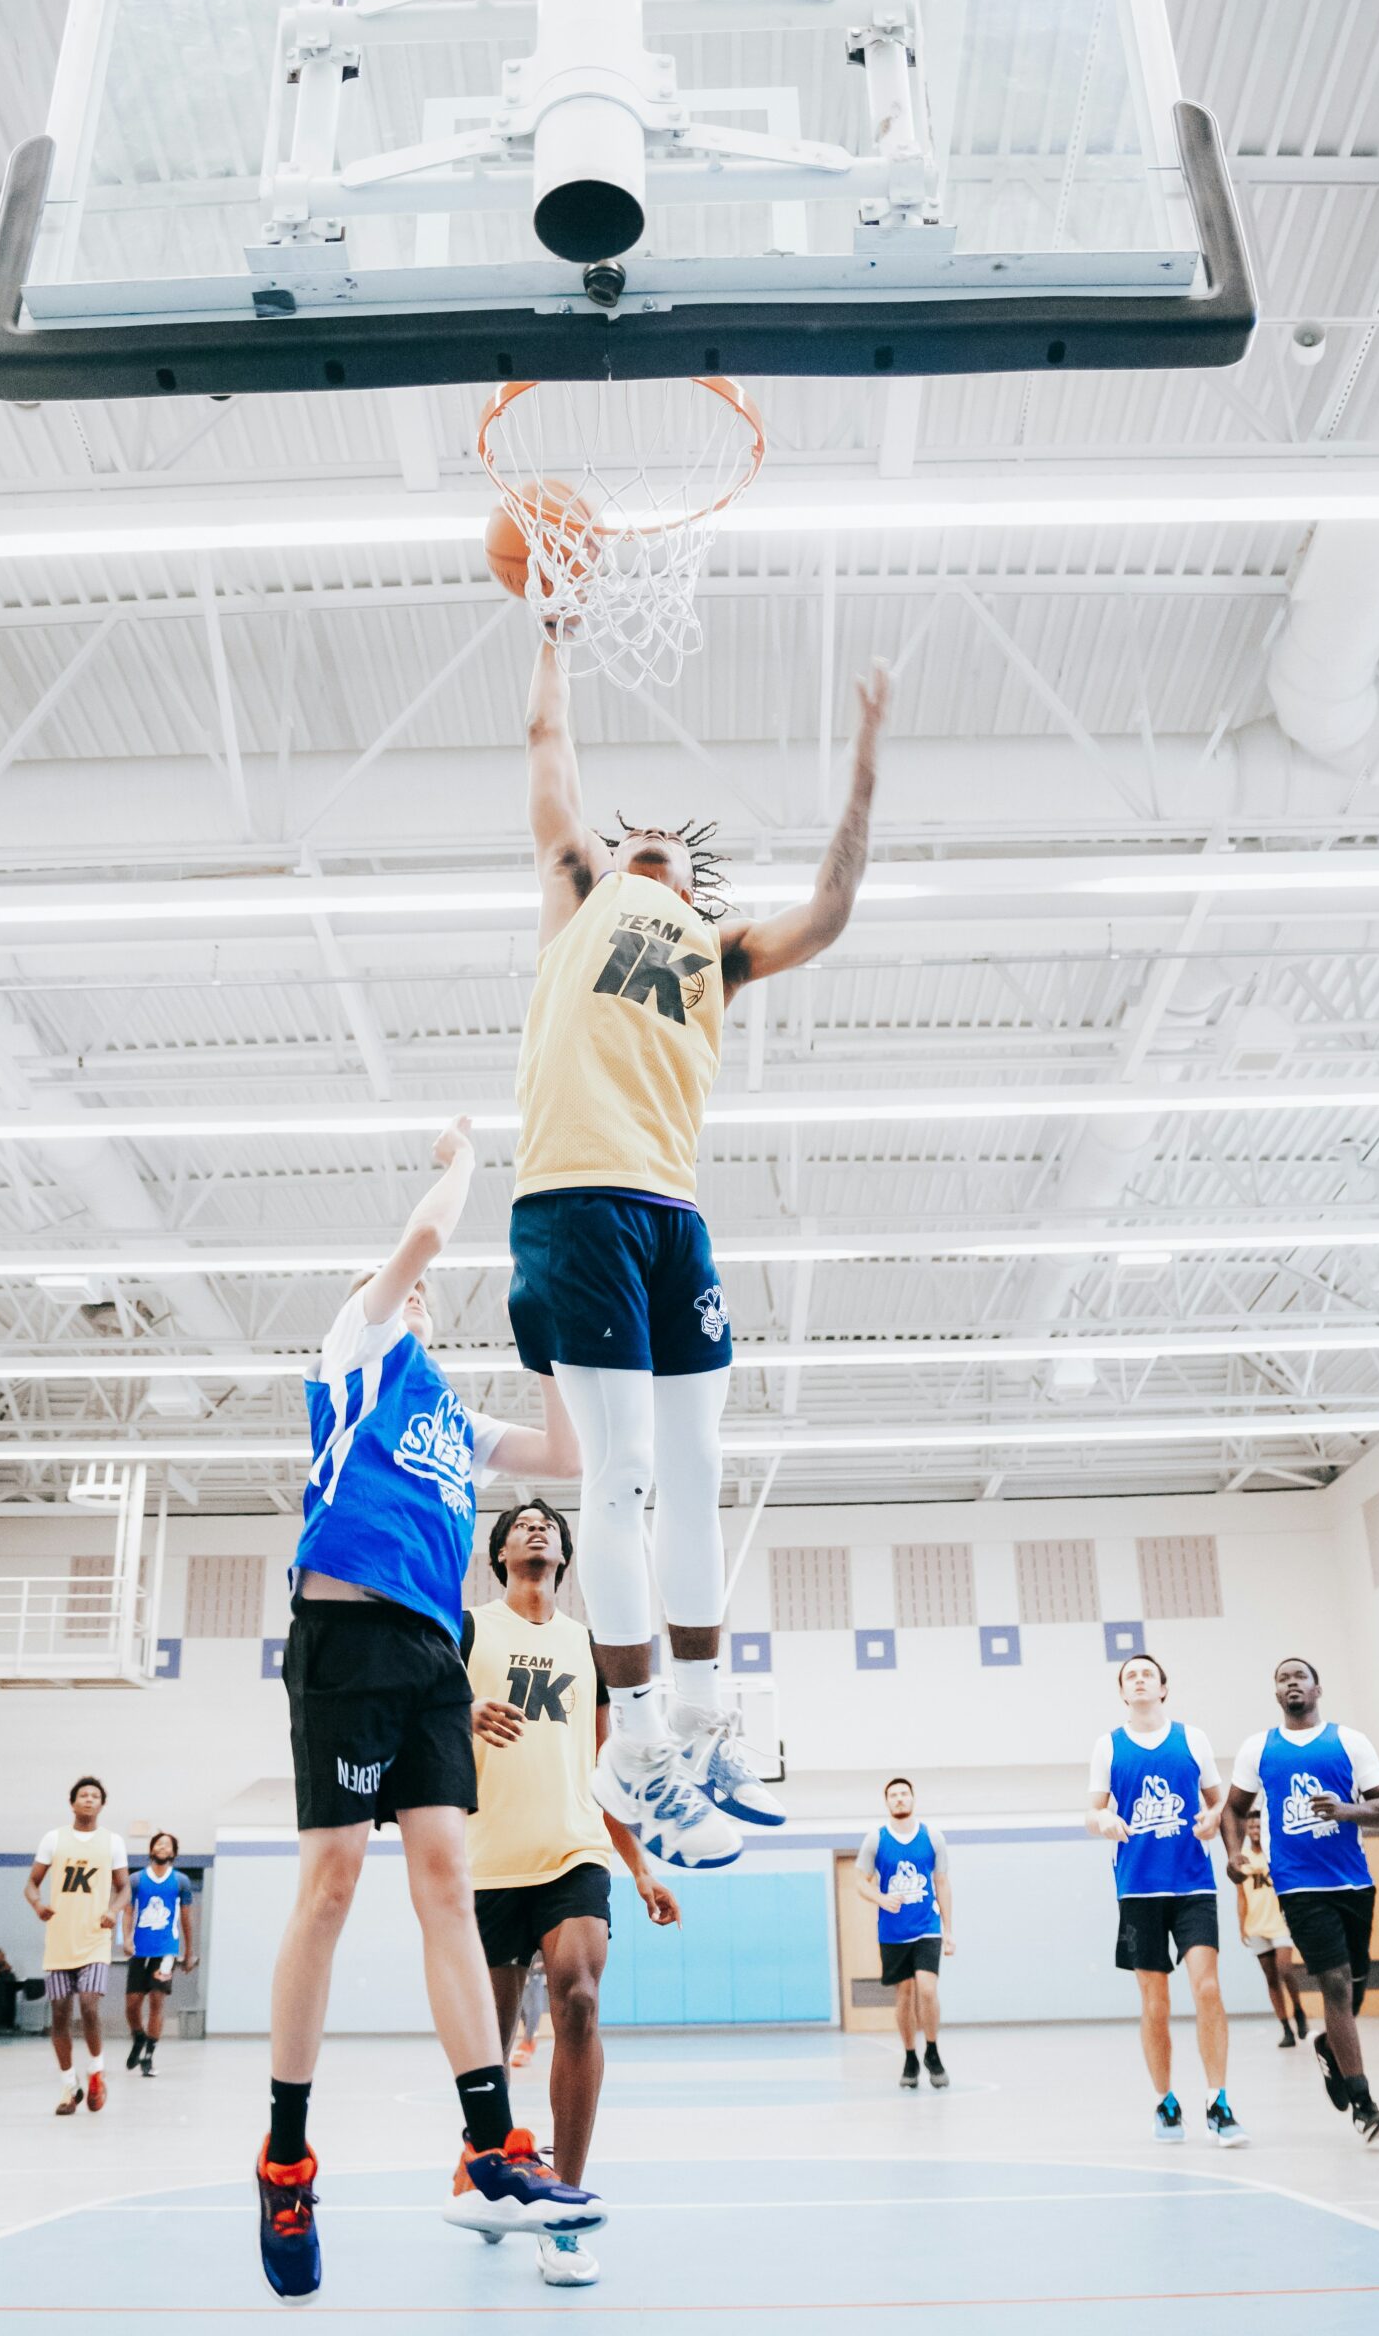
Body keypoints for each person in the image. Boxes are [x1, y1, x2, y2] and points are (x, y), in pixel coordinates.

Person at [514, 635, 891, 1868]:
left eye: (673, 851)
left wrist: (866, 769)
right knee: (615, 1476)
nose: (651, 845)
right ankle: (633, 1757)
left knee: (697, 1466)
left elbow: (829, 914)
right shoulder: (579, 900)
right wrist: (552, 640)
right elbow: (546, 755)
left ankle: (698, 1717)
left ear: (694, 883)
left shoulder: (718, 952)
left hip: (672, 1212)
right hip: (576, 1196)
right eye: (639, 842)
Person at [257, 1118, 602, 2303]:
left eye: (414, 1299)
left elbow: (563, 1445)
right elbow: (415, 1238)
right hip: (343, 1637)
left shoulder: (456, 1424)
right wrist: (469, 1162)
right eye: (394, 1290)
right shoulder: (355, 1351)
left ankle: (490, 2137)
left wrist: (551, 1329)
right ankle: (287, 2153)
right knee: (335, 1883)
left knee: (445, 1880)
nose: (406, 1295)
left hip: (429, 1653)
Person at [463, 1497, 684, 2290]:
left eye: (548, 1522)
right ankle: (487, 2166)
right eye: (521, 1521)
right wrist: (460, 1711)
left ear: (563, 1553)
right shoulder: (468, 1630)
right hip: (485, 1860)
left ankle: (561, 2210)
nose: (537, 1525)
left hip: (574, 1851)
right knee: (482, 2042)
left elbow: (607, 1762)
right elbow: (419, 1716)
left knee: (578, 2000)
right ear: (499, 1553)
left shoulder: (586, 1645)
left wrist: (639, 1865)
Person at [1223, 1657, 1379, 2144]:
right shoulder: (1258, 1748)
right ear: (1276, 1694)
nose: (1291, 1683)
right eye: (1282, 1678)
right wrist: (1235, 1854)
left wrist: (1345, 1810)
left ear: (1317, 1689)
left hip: (1353, 1884)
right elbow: (1233, 1810)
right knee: (1335, 1985)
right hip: (1298, 1886)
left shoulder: (1350, 1741)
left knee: (1356, 1984)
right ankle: (1364, 2105)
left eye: (1299, 1676)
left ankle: (1328, 2045)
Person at [1085, 1654, 1246, 2147]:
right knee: (1155, 2003)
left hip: (1192, 1885)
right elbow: (1091, 1814)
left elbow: (1224, 1802)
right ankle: (1165, 2100)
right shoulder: (1108, 1745)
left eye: (1146, 1674)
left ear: (1163, 1688)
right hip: (1137, 1890)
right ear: (1122, 1692)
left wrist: (1214, 1819)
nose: (1138, 1679)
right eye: (1129, 1675)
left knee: (1208, 1990)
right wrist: (1105, 1821)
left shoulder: (1192, 1739)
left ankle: (1218, 2102)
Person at [25, 1775, 130, 2116]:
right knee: (59, 2014)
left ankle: (96, 2069)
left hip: (95, 1939)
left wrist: (114, 1911)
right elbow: (31, 1884)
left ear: (102, 1804)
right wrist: (39, 1905)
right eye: (82, 1795)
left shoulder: (112, 1842)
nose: (88, 1799)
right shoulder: (53, 1839)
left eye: (95, 1795)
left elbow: (124, 1888)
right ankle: (69, 2087)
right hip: (59, 1939)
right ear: (72, 1803)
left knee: (88, 2005)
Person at [856, 1778, 954, 2091]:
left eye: (904, 1794)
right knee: (905, 1993)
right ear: (887, 1803)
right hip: (893, 1932)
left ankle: (933, 2051)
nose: (899, 1799)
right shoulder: (876, 1839)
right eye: (893, 1796)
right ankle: (910, 2057)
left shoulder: (932, 1837)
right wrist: (880, 1898)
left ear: (913, 1799)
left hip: (927, 1927)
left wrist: (948, 1930)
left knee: (927, 1988)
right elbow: (861, 1881)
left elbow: (942, 1883)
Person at [122, 1834, 195, 2075]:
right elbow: (128, 1911)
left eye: (168, 1844)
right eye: (158, 1843)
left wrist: (189, 1952)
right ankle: (139, 2037)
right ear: (151, 1848)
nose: (162, 1846)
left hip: (166, 1950)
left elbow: (186, 1918)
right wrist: (127, 1940)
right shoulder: (136, 1879)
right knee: (132, 2004)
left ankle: (149, 2056)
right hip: (140, 1949)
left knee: (156, 2001)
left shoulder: (181, 1881)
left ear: (174, 1852)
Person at [1237, 1812, 1310, 2047]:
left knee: (1285, 1969)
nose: (1255, 1830)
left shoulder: (1275, 1852)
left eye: (1258, 1825)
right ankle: (1286, 2028)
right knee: (1270, 1979)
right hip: (1256, 1924)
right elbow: (1241, 1896)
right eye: (1251, 1827)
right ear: (1247, 1831)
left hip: (1280, 1922)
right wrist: (1242, 1926)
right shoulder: (1243, 1858)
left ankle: (1299, 2011)